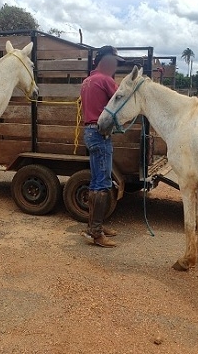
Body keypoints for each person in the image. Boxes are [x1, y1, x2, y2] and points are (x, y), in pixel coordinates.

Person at [79, 46, 124, 247]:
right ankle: (96, 234)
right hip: (100, 133)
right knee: (102, 184)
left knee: (96, 180)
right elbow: (122, 100)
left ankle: (94, 227)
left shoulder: (87, 81)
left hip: (89, 132)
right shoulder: (106, 80)